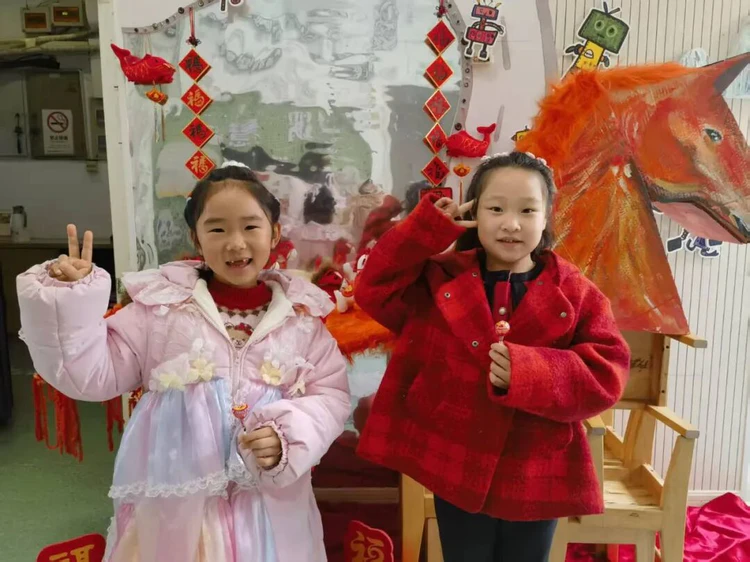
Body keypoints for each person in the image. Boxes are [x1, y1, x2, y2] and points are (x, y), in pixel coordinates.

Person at [17, 162, 351, 562]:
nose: (236, 243)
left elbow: (331, 396)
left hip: (265, 515)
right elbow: (90, 375)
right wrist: (69, 300)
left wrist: (289, 436)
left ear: (274, 233)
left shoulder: (302, 321)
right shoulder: (160, 312)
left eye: (250, 226)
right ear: (196, 238)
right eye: (217, 229)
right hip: (176, 512)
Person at [354, 152, 630, 562]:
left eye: (527, 210)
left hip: (535, 466)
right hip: (455, 459)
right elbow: (374, 287)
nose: (511, 224)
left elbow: (607, 371)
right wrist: (430, 228)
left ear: (546, 217)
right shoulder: (438, 277)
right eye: (496, 208)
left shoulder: (575, 291)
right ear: (474, 213)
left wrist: (530, 372)